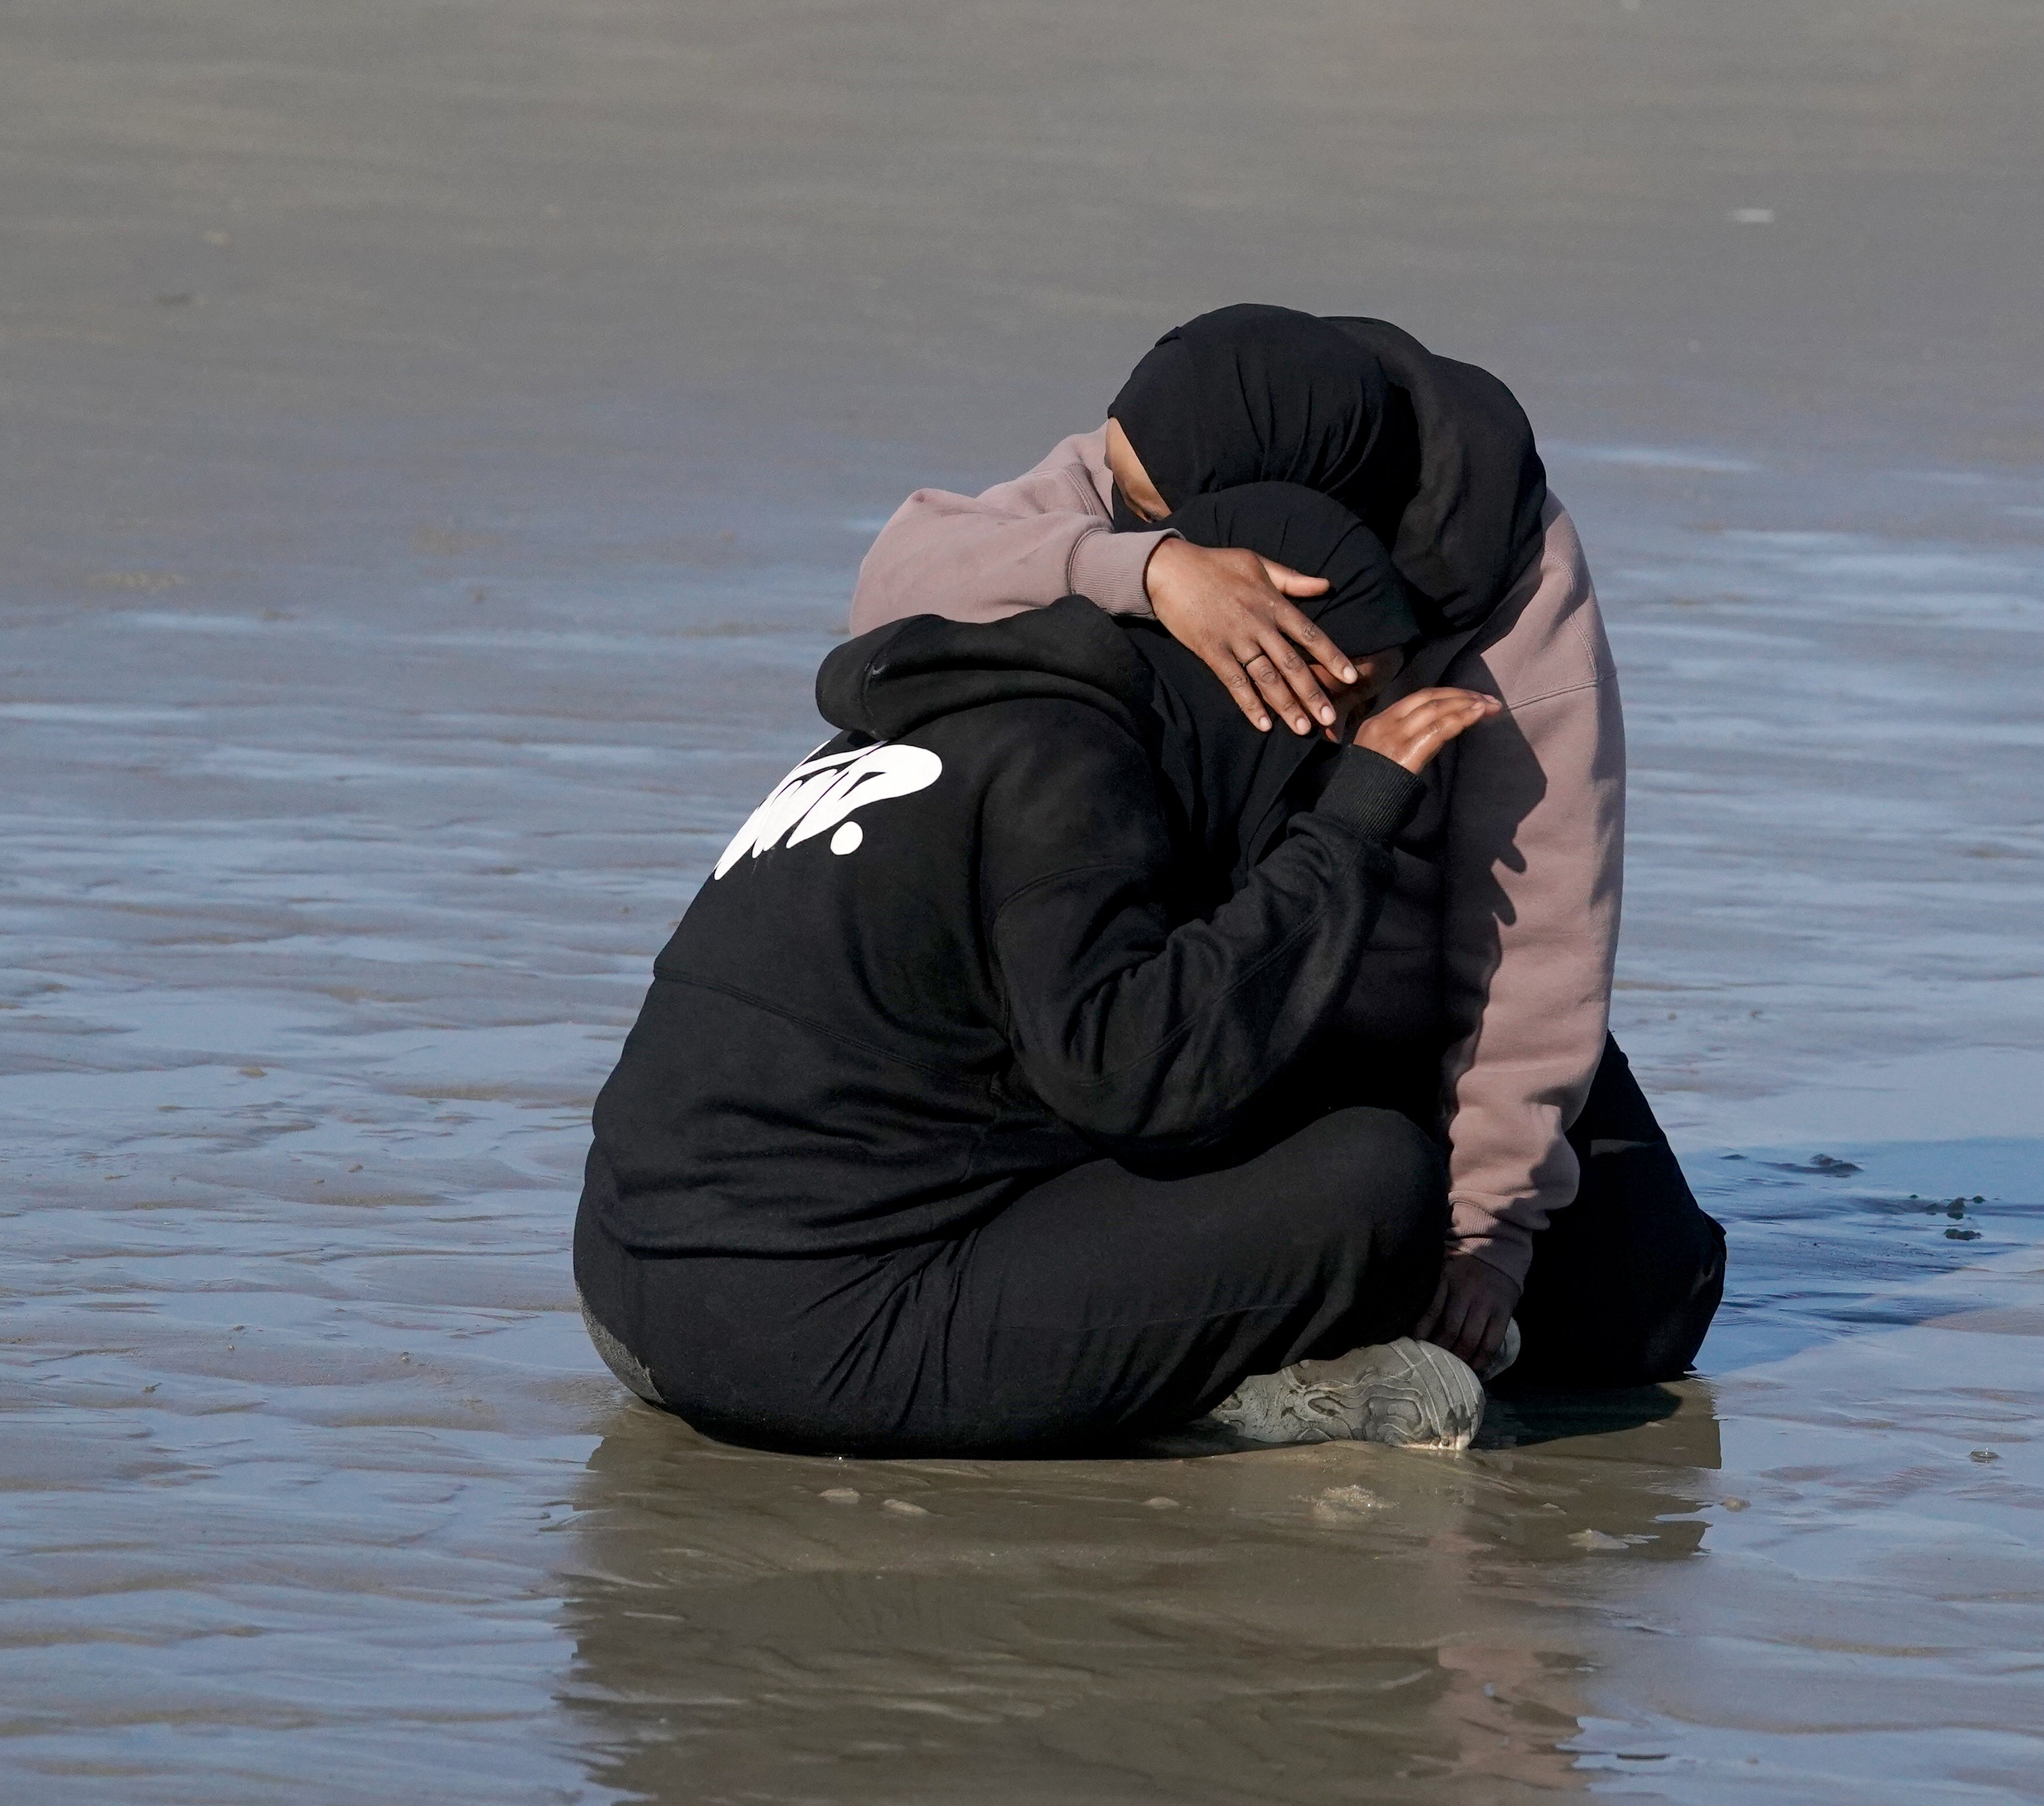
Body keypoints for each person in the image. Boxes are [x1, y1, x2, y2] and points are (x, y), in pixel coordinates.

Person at [850, 305, 1723, 1389]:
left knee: (1638, 1304)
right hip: (1185, 991)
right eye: (1123, 487)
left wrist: (1491, 1232)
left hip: (1397, 1003)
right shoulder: (1164, 450)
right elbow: (897, 579)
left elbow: (1541, 926)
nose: (1119, 502)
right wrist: (1153, 567)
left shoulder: (1512, 569)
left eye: (1154, 509)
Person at [576, 488, 1507, 1455]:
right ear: (1258, 666)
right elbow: (1136, 1077)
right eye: (1344, 700)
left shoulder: (935, 722)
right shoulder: (1071, 771)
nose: (1338, 737)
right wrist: (1350, 826)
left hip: (621, 1284)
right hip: (800, 1333)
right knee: (1374, 1182)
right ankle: (1214, 1395)